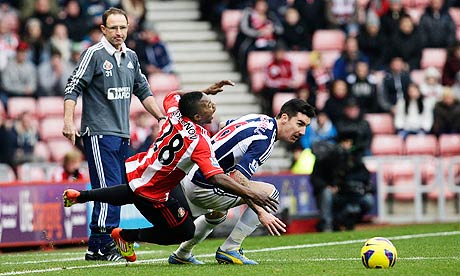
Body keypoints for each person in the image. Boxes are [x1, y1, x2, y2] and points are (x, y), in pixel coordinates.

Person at [63, 82, 281, 263]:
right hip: (156, 190)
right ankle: (126, 236)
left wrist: (204, 91)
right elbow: (216, 177)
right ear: (196, 116)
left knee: (132, 192)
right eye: (207, 104)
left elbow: (173, 96)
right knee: (183, 232)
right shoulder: (199, 140)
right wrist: (251, 194)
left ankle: (80, 196)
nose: (212, 105)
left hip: (141, 169)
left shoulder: (174, 113)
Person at [62, 8, 166, 262]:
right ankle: (101, 244)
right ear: (104, 30)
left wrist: (162, 118)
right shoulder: (94, 54)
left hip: (121, 134)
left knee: (116, 191)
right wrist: (68, 121)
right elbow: (73, 86)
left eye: (123, 27)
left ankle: (99, 245)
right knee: (107, 188)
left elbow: (143, 89)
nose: (119, 33)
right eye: (114, 28)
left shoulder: (131, 56)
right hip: (98, 133)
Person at [169, 98, 316, 265]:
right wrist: (261, 212)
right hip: (206, 185)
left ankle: (182, 253)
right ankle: (230, 248)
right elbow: (239, 178)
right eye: (299, 123)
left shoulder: (258, 118)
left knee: (217, 214)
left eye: (305, 126)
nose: (302, 131)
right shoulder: (265, 140)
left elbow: (224, 124)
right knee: (269, 194)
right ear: (284, 117)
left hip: (193, 175)